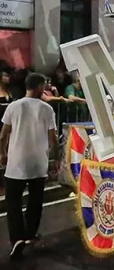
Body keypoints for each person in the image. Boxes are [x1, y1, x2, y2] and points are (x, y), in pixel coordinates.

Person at [0, 72, 59, 259]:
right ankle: (30, 233)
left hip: (16, 162)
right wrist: (55, 158)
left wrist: (2, 153)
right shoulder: (47, 109)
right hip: (38, 163)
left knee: (13, 201)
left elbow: (3, 134)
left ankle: (17, 238)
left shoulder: (13, 106)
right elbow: (52, 138)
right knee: (35, 201)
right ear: (39, 87)